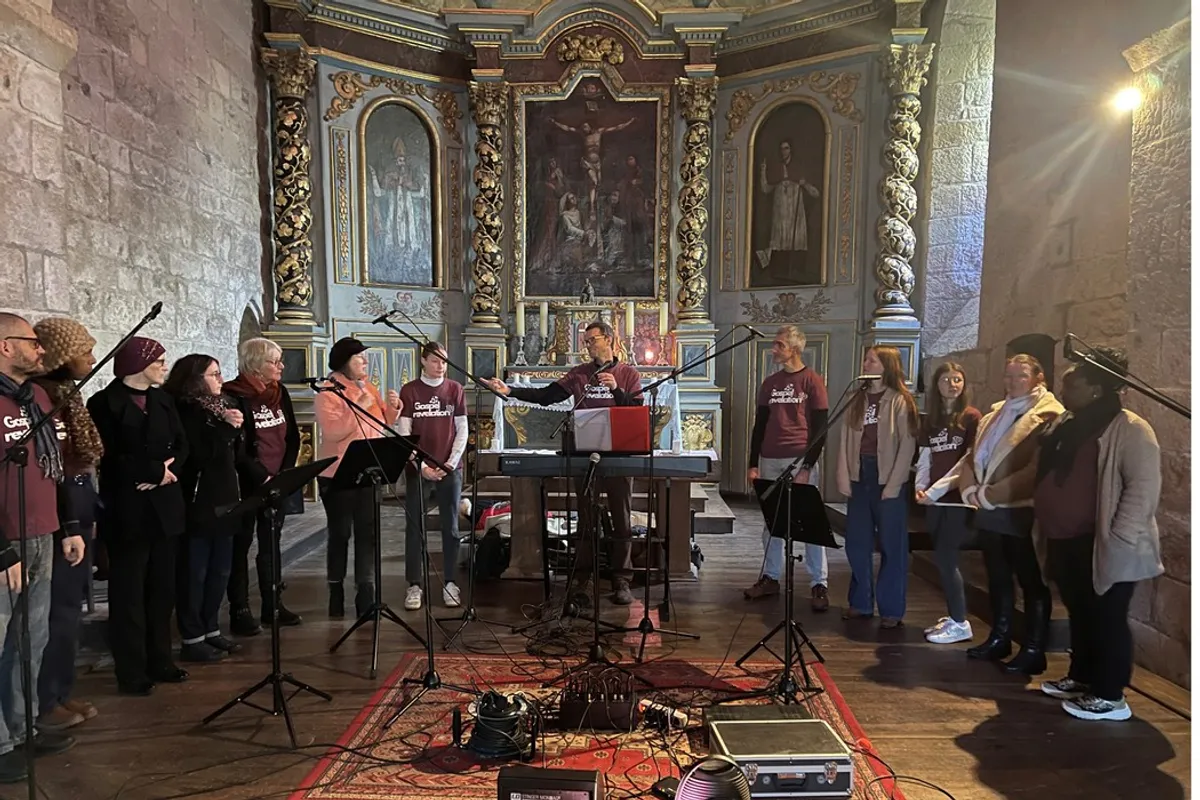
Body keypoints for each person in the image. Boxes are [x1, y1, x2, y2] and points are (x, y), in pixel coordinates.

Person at [1035, 348, 1162, 721]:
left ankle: (1110, 696)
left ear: (1095, 388)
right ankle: (1082, 677)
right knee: (1082, 613)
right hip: (1068, 540)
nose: (1064, 386)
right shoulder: (1070, 422)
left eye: (1072, 381)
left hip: (1105, 544)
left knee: (1107, 617)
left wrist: (1118, 539)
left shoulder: (1131, 429)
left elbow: (1142, 489)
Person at [483, 320, 641, 606]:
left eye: (592, 339)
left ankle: (621, 579)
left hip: (618, 455)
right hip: (585, 455)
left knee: (622, 518)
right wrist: (510, 392)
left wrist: (617, 390)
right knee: (586, 518)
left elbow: (637, 411)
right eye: (586, 340)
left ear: (608, 339)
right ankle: (583, 577)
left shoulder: (627, 373)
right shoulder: (580, 374)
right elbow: (547, 395)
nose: (588, 345)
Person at [0, 314, 82, 781]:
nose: (42, 350)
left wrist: (68, 523)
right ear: (6, 347)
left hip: (42, 532)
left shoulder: (38, 397)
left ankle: (22, 726)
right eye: (32, 342)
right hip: (6, 540)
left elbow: (55, 464)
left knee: (32, 639)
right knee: (1, 642)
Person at [88, 336, 190, 695]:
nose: (165, 366)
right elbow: (108, 455)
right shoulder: (103, 403)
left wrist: (167, 471)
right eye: (159, 360)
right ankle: (131, 670)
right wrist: (151, 472)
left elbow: (182, 444)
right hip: (129, 507)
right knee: (129, 592)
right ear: (138, 363)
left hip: (165, 503)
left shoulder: (163, 400)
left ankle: (160, 659)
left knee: (162, 589)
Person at [954, 354, 1063, 675]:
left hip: (1019, 508)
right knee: (998, 576)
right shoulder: (996, 413)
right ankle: (1000, 636)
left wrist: (988, 494)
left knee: (1030, 579)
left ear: (1038, 378)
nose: (1013, 382)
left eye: (1021, 376)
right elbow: (975, 455)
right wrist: (969, 489)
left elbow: (1035, 469)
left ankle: (1033, 648)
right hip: (988, 508)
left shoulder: (1048, 414)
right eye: (1009, 376)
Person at [30, 318, 103, 732]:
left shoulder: (68, 395)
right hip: (59, 519)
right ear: (61, 356)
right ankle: (45, 698)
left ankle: (59, 689)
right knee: (55, 614)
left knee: (69, 612)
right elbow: (53, 468)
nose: (92, 358)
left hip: (78, 511)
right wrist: (69, 522)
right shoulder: (42, 398)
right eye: (85, 351)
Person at [164, 355, 251, 663]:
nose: (220, 379)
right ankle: (192, 636)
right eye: (214, 374)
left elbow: (234, 454)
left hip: (227, 496)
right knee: (195, 572)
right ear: (195, 379)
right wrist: (227, 428)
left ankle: (211, 629)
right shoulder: (185, 411)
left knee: (220, 571)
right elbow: (199, 456)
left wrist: (235, 428)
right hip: (199, 501)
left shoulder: (221, 406)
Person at [743, 325, 831, 611]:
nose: (774, 349)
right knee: (772, 523)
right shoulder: (770, 383)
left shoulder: (812, 381)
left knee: (809, 523)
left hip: (799, 459)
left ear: (794, 348)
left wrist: (807, 466)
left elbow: (820, 429)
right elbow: (759, 425)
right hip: (770, 458)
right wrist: (753, 463)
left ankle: (819, 582)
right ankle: (770, 577)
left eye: (779, 345)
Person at [314, 338, 401, 618]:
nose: (365, 362)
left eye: (365, 357)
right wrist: (359, 404)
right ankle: (335, 591)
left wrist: (393, 409)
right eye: (359, 358)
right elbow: (334, 432)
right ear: (343, 362)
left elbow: (380, 422)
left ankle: (366, 593)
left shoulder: (367, 387)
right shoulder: (328, 392)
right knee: (340, 534)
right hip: (337, 474)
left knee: (368, 534)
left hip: (368, 471)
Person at [835, 346, 918, 628]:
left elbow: (907, 445)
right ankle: (860, 602)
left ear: (886, 366)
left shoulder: (899, 400)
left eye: (871, 360)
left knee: (892, 547)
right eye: (866, 358)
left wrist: (894, 484)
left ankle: (891, 609)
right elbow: (844, 439)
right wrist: (843, 475)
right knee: (857, 544)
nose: (865, 362)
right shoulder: (855, 398)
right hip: (860, 475)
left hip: (887, 477)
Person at [223, 338, 302, 635]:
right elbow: (238, 448)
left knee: (271, 544)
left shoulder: (280, 394)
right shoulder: (233, 395)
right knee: (240, 545)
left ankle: (273, 605)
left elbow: (292, 436)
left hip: (276, 482)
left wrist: (284, 474)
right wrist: (261, 476)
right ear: (256, 364)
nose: (281, 366)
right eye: (274, 361)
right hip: (246, 483)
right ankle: (240, 608)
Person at [915, 361, 983, 644]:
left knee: (947, 558)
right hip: (933, 499)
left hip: (955, 499)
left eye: (957, 379)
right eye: (946, 380)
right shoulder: (931, 420)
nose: (952, 385)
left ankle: (960, 622)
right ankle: (953, 616)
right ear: (937, 385)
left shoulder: (971, 417)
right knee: (940, 559)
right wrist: (920, 487)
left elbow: (967, 461)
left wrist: (937, 490)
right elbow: (925, 457)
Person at [397, 342, 468, 611]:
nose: (441, 365)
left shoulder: (455, 389)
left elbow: (462, 430)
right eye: (436, 360)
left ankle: (450, 582)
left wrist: (450, 463)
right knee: (415, 526)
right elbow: (405, 432)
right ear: (423, 361)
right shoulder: (410, 390)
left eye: (444, 361)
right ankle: (414, 584)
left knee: (451, 525)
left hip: (450, 468)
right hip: (418, 469)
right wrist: (421, 466)